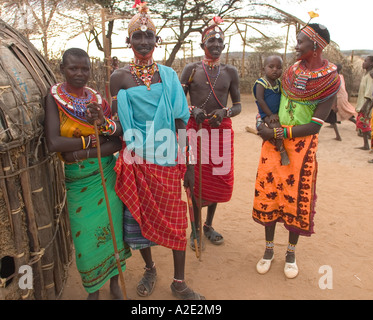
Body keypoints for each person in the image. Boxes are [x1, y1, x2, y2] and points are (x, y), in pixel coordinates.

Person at [87, 3, 204, 300]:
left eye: (148, 36)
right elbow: (116, 124)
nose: (143, 42)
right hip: (136, 161)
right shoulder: (119, 78)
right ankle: (150, 267)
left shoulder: (168, 75)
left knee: (177, 221)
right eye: (137, 36)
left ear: (156, 40)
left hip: (167, 160)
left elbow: (180, 121)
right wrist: (102, 123)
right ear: (129, 42)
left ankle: (179, 282)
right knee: (139, 222)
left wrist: (188, 165)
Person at [252, 23, 340, 279]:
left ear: (315, 46)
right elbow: (271, 104)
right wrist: (263, 123)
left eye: (300, 41)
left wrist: (281, 133)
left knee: (294, 198)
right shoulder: (290, 71)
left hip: (301, 147)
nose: (296, 45)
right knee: (269, 194)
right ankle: (269, 250)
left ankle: (290, 252)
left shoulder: (330, 79)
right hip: (272, 143)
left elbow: (315, 125)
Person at [44, 48, 131, 300]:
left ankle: (115, 282)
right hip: (78, 181)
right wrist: (93, 142)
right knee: (85, 239)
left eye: (84, 68)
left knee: (114, 232)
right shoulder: (54, 99)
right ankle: (93, 290)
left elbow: (117, 139)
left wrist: (98, 127)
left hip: (105, 174)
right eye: (73, 68)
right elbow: (54, 143)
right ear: (62, 69)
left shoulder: (96, 99)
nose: (80, 73)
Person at [180, 16, 241, 250]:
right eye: (210, 42)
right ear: (202, 45)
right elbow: (178, 102)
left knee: (217, 179)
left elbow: (238, 106)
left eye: (219, 42)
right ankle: (194, 231)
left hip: (220, 132)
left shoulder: (230, 72)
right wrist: (191, 109)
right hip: (195, 131)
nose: (215, 46)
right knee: (195, 180)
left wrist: (224, 113)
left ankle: (208, 225)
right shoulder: (191, 69)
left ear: (224, 46)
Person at [253, 55, 290, 165]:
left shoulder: (278, 83)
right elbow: (260, 100)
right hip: (267, 114)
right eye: (271, 67)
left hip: (277, 114)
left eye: (279, 67)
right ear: (263, 68)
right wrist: (270, 115)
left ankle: (272, 141)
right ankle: (282, 151)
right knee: (276, 129)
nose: (275, 70)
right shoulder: (261, 83)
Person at [355, 56, 373, 150]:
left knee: (364, 125)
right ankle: (367, 144)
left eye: (365, 61)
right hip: (362, 104)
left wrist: (365, 106)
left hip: (366, 105)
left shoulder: (371, 75)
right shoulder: (366, 74)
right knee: (363, 125)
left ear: (371, 63)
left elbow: (370, 92)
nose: (363, 63)